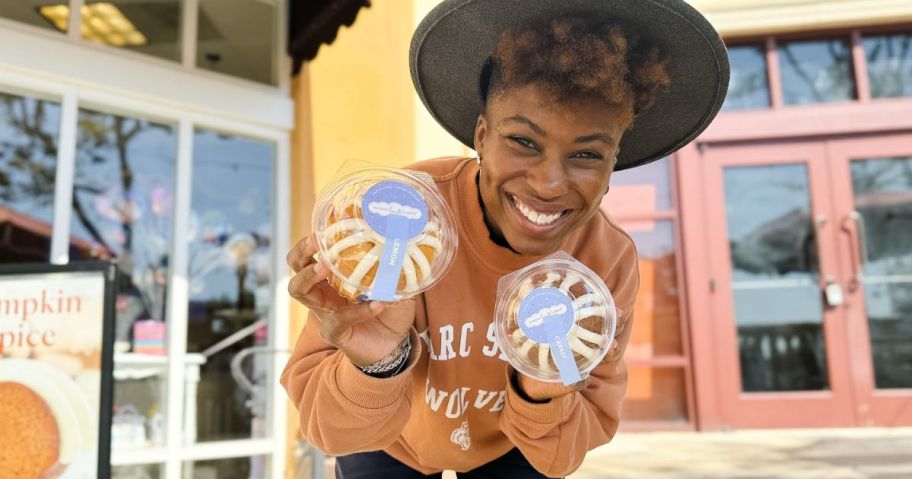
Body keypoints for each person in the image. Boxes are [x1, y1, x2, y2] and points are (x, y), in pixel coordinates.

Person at [282, 0, 729, 477]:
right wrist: (378, 364)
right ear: (481, 135)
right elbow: (329, 430)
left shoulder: (604, 261)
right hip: (390, 440)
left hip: (516, 443)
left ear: (614, 161)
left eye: (587, 155)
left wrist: (543, 386)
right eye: (523, 141)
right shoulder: (400, 215)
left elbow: (560, 455)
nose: (550, 183)